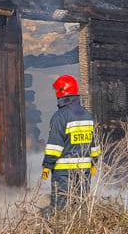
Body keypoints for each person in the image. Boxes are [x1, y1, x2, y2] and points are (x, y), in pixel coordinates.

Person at [41, 74, 99, 210]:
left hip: (63, 173)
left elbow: (54, 146)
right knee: (80, 206)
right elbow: (94, 144)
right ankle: (81, 230)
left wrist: (47, 166)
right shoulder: (88, 115)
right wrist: (94, 163)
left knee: (61, 208)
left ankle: (61, 230)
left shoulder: (60, 116)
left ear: (61, 93)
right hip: (84, 171)